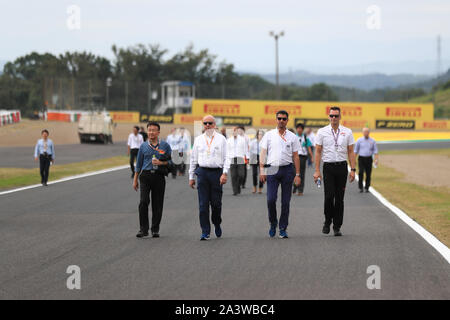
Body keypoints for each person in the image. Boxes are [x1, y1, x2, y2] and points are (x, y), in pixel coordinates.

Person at [313, 106, 356, 237]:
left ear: (340, 117)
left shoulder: (347, 132)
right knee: (329, 196)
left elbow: (350, 151)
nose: (333, 118)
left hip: (342, 167)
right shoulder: (322, 132)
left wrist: (353, 169)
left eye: (336, 116)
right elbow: (318, 151)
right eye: (331, 116)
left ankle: (337, 226)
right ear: (328, 116)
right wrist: (316, 171)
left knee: (339, 199)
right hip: (328, 168)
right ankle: (327, 220)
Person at [259, 110, 301, 239]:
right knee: (271, 199)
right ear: (276, 119)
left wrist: (298, 174)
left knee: (285, 202)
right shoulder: (269, 135)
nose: (281, 120)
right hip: (272, 169)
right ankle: (273, 223)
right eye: (279, 118)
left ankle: (283, 228)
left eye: (284, 119)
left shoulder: (292, 136)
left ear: (287, 120)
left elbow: (296, 156)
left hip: (287, 170)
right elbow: (263, 153)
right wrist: (262, 170)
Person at [189, 115, 229, 241]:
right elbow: (193, 159)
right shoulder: (198, 140)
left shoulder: (221, 139)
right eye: (205, 123)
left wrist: (225, 173)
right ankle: (205, 231)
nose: (207, 125)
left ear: (214, 124)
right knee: (203, 205)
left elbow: (227, 157)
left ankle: (217, 223)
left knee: (216, 204)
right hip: (202, 173)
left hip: (217, 173)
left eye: (210, 123)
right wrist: (191, 176)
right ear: (203, 125)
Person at [133, 122, 172, 238]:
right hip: (145, 176)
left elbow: (172, 162)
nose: (151, 132)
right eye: (149, 130)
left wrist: (161, 163)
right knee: (143, 202)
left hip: (159, 177)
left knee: (157, 204)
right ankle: (143, 229)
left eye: (153, 130)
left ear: (158, 132)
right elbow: (138, 164)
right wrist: (135, 179)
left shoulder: (165, 146)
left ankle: (155, 229)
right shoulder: (143, 146)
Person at [355, 127, 379, 193]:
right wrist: (354, 160)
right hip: (361, 159)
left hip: (369, 159)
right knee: (361, 173)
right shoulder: (359, 140)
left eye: (367, 132)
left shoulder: (372, 141)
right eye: (364, 132)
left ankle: (367, 187)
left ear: (369, 133)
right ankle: (360, 187)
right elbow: (355, 151)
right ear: (362, 133)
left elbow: (375, 151)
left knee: (368, 174)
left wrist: (376, 160)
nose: (366, 133)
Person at [292, 123, 313, 196]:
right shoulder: (293, 137)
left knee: (302, 174)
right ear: (296, 129)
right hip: (295, 156)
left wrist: (311, 157)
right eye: (298, 128)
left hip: (303, 157)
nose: (299, 130)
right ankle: (294, 187)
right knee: (294, 173)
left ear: (302, 129)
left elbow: (309, 148)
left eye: (301, 128)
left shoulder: (305, 138)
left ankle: (300, 190)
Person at [227, 127, 249, 196]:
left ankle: (238, 185)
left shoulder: (242, 139)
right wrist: (227, 160)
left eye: (235, 131)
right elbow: (227, 151)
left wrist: (247, 157)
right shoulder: (229, 140)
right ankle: (235, 191)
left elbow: (246, 149)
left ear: (237, 132)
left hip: (240, 158)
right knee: (233, 175)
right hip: (232, 158)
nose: (234, 132)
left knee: (241, 175)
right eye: (233, 131)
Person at [249, 130, 264, 194]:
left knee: (262, 173)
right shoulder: (253, 142)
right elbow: (250, 151)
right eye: (259, 134)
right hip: (254, 157)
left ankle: (260, 188)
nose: (260, 136)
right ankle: (254, 186)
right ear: (257, 135)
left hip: (262, 157)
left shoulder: (264, 142)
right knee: (254, 173)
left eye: (261, 134)